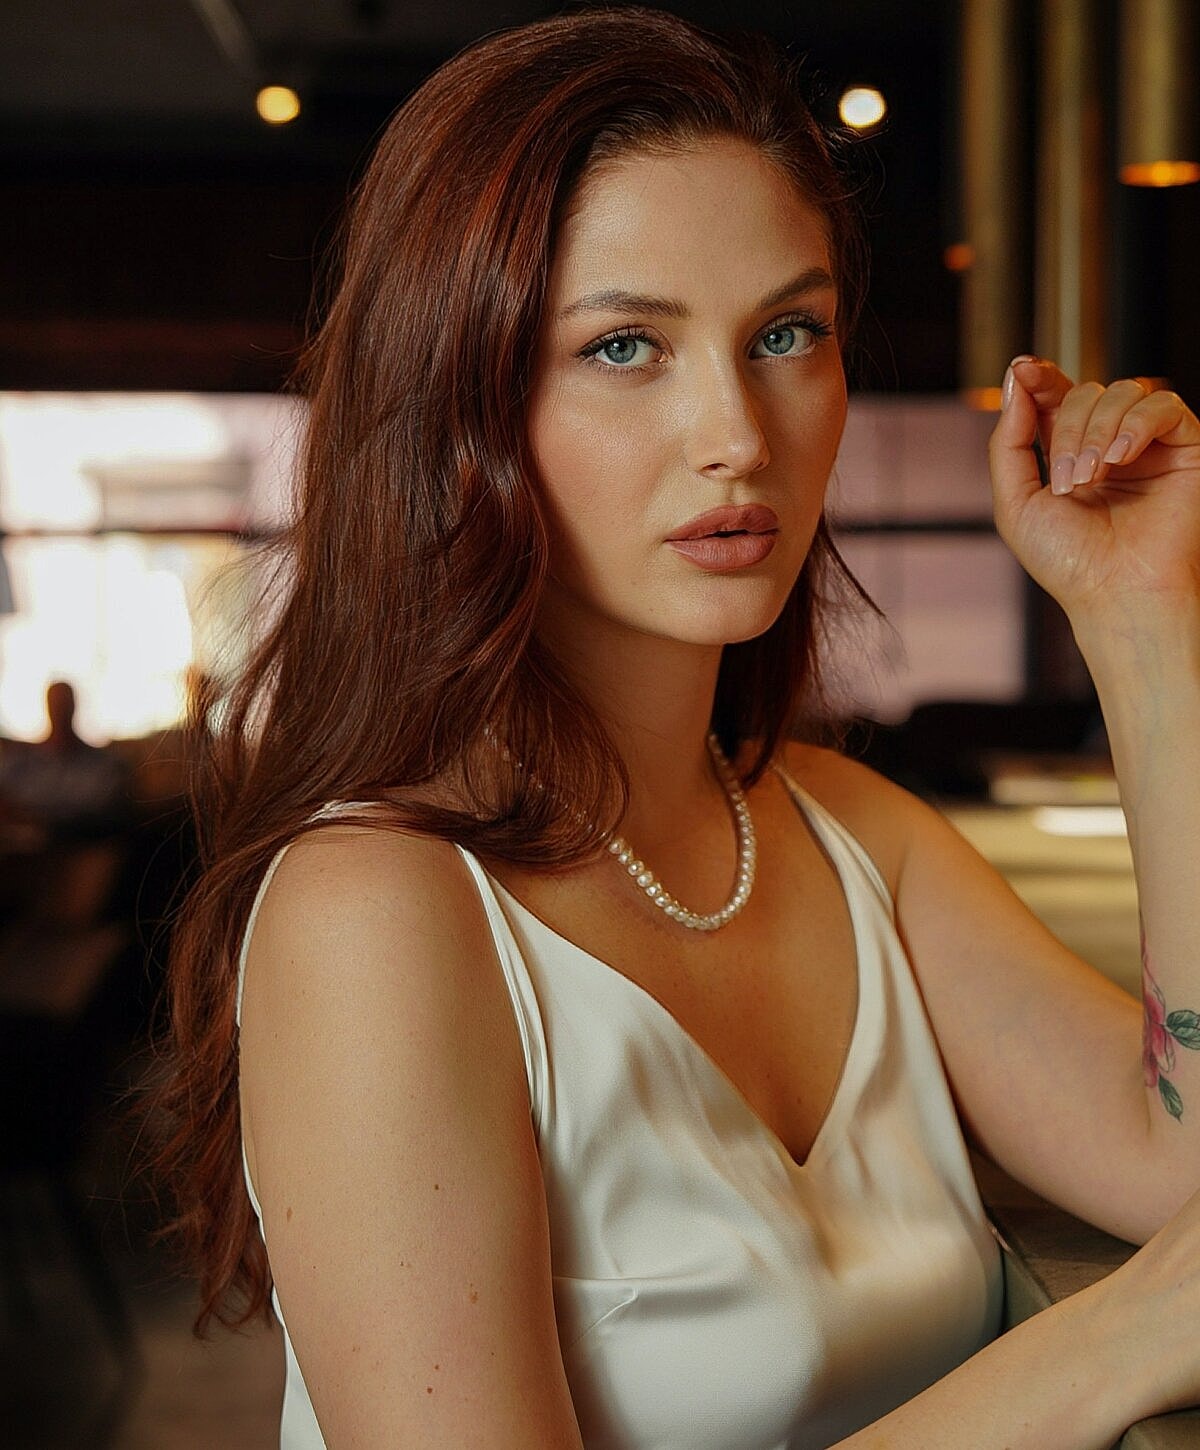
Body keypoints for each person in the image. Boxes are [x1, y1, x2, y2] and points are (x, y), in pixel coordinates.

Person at [154, 8, 1200, 1447]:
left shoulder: (849, 836)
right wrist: (1107, 1347)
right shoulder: (381, 910)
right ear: (464, 399)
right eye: (627, 346)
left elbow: (1185, 1163)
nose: (738, 431)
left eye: (787, 333)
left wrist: (1143, 623)